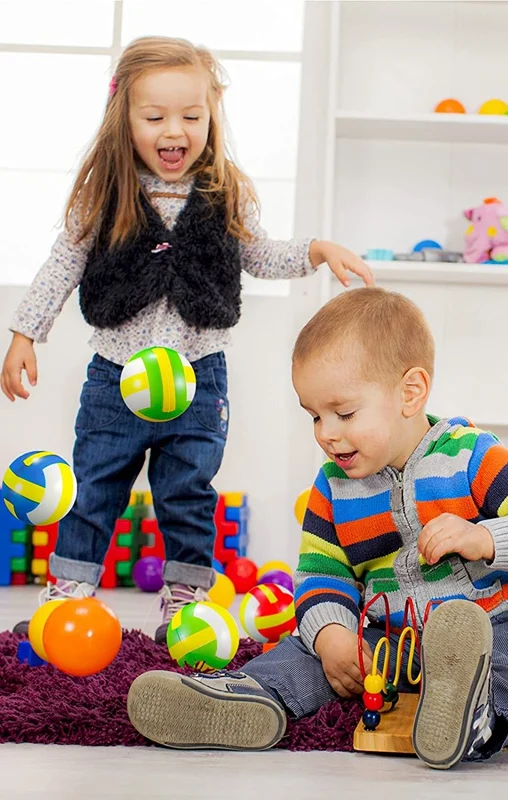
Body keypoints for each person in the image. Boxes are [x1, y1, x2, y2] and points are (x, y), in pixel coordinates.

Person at [0, 36, 373, 643]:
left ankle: (187, 599)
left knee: (187, 492)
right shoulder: (104, 192)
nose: (174, 130)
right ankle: (70, 588)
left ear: (211, 115)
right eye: (155, 117)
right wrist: (24, 333)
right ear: (124, 118)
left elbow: (260, 253)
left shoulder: (225, 191)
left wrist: (315, 251)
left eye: (190, 116)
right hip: (115, 377)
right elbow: (62, 263)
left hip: (199, 378)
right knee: (94, 485)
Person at [127, 286, 508, 769]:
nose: (326, 433)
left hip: (494, 624)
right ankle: (248, 696)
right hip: (388, 641)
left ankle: (474, 717)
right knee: (304, 651)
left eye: (344, 413)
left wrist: (486, 538)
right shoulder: (332, 488)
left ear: (410, 393)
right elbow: (322, 576)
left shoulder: (471, 455)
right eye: (315, 416)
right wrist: (332, 637)